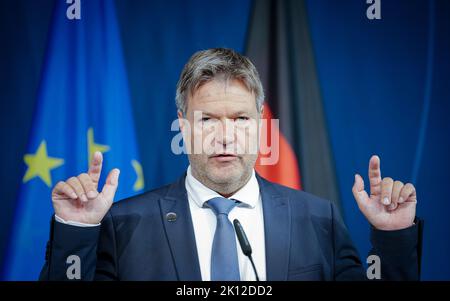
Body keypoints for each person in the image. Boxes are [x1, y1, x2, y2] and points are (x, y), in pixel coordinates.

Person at [40, 48, 421, 281]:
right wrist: (76, 229)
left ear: (260, 126)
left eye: (240, 119)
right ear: (183, 126)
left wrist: (393, 238)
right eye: (207, 120)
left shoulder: (318, 219)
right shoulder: (124, 225)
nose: (225, 137)